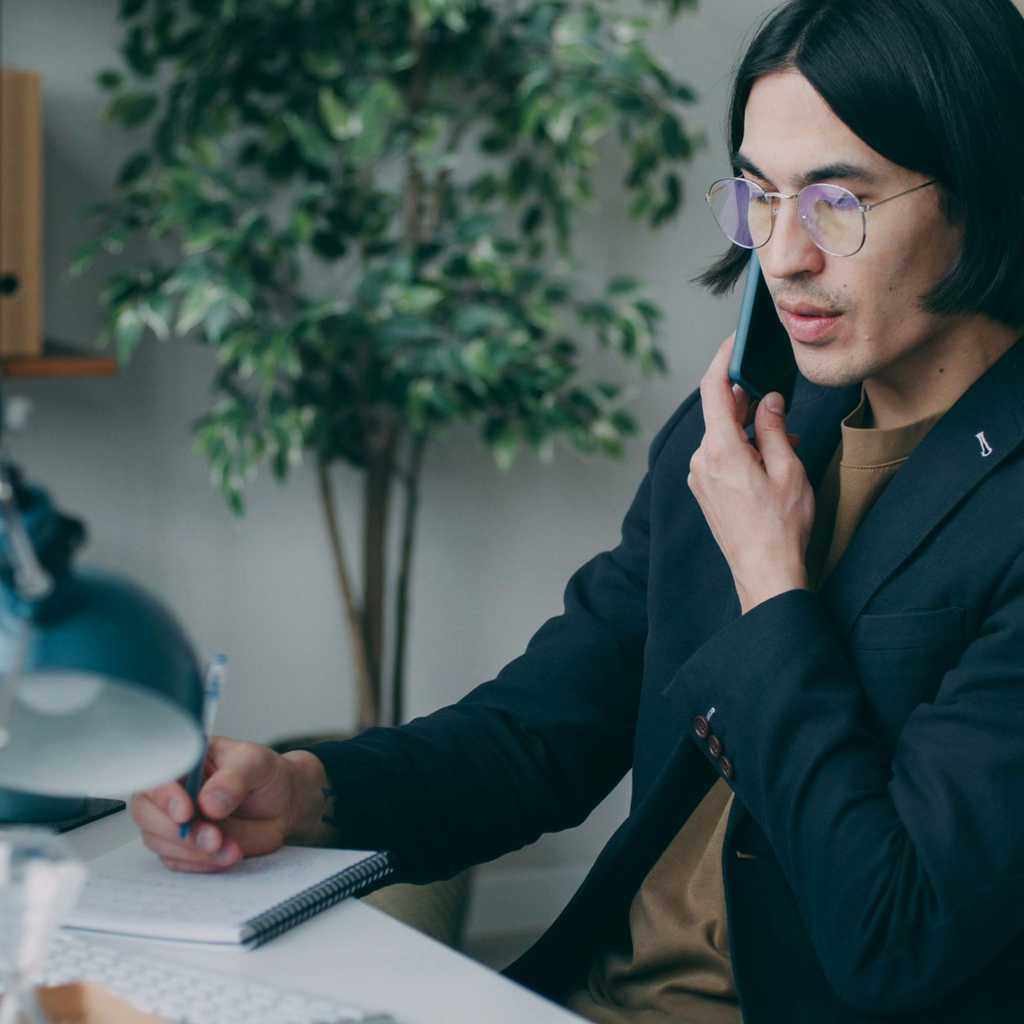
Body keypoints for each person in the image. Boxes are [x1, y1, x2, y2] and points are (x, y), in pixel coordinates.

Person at [130, 0, 1024, 1019]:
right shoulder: (739, 438)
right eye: (757, 196)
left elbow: (893, 934)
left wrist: (772, 585)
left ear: (979, 187)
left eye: (836, 201)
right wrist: (304, 790)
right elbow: (537, 737)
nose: (782, 255)